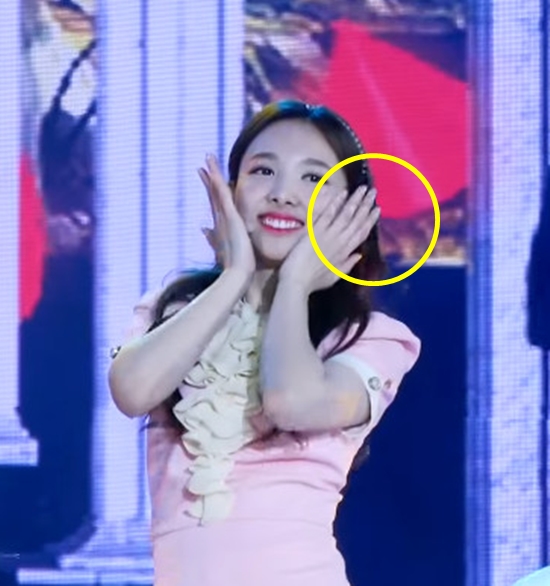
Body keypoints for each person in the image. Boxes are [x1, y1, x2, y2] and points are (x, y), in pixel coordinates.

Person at [109, 100, 421, 586]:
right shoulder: (172, 309)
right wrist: (235, 275)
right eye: (263, 170)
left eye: (313, 178)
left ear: (354, 212)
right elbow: (131, 391)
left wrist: (294, 283)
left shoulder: (370, 338)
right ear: (231, 190)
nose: (283, 194)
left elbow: (290, 402)